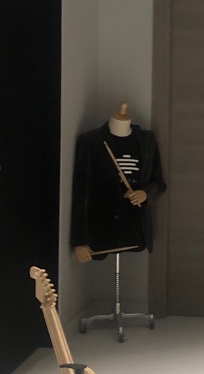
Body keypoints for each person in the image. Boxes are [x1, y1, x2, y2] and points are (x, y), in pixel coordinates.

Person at [70, 102, 166, 263]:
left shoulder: (147, 141)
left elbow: (158, 183)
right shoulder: (90, 141)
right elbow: (80, 192)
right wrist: (79, 241)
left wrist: (145, 194)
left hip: (135, 229)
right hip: (101, 229)